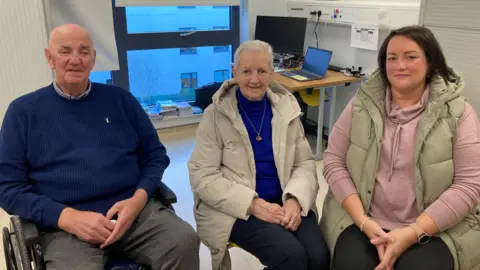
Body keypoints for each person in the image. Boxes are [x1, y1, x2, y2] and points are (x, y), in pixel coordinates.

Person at [0, 24, 199, 270]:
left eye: (84, 52)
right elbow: (8, 188)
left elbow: (155, 155)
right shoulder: (23, 112)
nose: (75, 59)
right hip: (66, 228)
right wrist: (67, 218)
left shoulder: (121, 100)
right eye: (65, 51)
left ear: (93, 59)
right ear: (49, 58)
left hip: (134, 213)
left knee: (184, 242)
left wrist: (138, 199)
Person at [320, 25, 480, 270]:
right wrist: (363, 221)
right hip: (364, 219)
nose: (399, 65)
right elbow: (333, 160)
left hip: (434, 227)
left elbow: (469, 185)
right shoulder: (361, 104)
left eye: (411, 57)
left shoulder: (458, 112)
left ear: (431, 63)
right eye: (391, 58)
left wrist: (412, 232)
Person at [188, 40, 330, 270]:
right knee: (291, 257)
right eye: (246, 71)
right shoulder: (215, 115)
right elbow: (202, 176)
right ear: (234, 71)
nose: (254, 79)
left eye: (262, 71)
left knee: (319, 257)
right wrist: (252, 204)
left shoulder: (287, 109)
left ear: (272, 73)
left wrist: (295, 200)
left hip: (285, 199)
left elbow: (303, 162)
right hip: (237, 206)